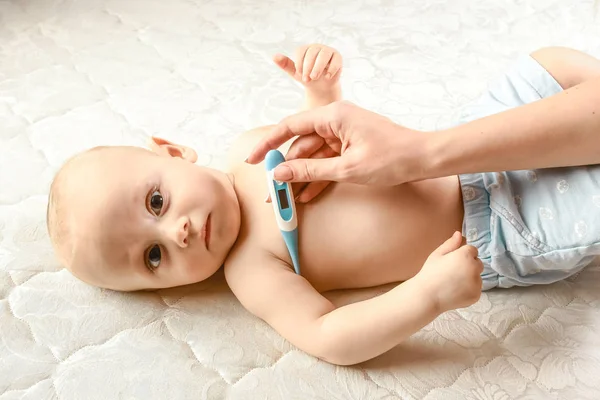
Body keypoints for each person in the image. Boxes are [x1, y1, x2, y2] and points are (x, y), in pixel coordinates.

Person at [47, 44, 600, 366]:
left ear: (173, 151)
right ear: (166, 288)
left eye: (157, 201)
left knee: (554, 64)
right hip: (497, 226)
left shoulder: (250, 149)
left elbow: (329, 141)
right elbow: (329, 337)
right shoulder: (252, 269)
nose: (178, 233)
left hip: (470, 142)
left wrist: (321, 93)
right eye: (152, 257)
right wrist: (426, 295)